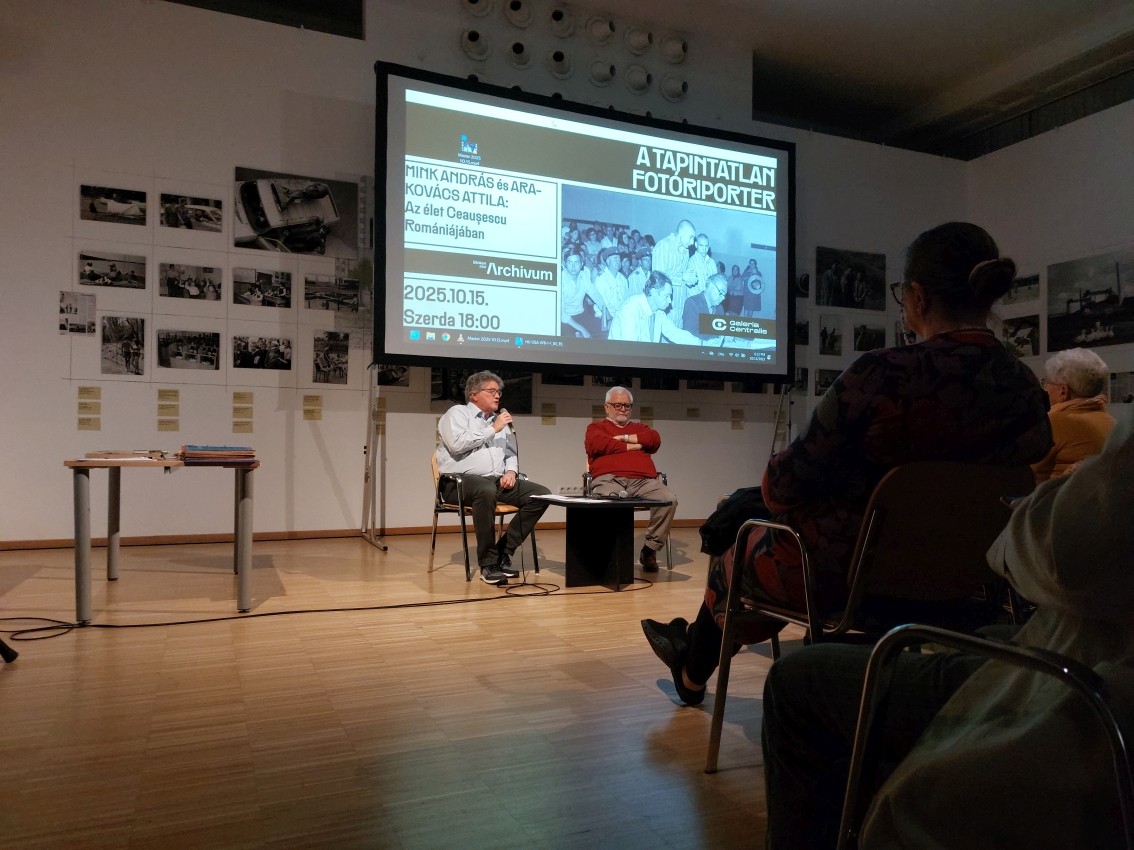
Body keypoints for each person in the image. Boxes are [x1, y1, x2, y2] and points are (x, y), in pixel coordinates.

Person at [640, 221, 1053, 707]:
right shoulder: (1023, 385)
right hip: (973, 576)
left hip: (851, 572)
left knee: (744, 537)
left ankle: (692, 673)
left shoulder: (883, 374)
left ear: (917, 298)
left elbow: (783, 484)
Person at [762, 408, 1134, 850]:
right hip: (968, 590)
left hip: (1088, 690)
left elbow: (1069, 547)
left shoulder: (872, 385)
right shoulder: (1021, 399)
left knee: (791, 663)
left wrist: (1032, 513)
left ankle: (698, 652)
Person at [435, 371, 550, 585]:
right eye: (491, 391)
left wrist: (511, 472)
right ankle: (488, 564)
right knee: (484, 490)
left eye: (499, 392)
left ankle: (503, 552)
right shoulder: (457, 413)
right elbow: (457, 445)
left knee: (540, 494)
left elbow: (510, 453)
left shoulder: (500, 422)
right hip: (457, 482)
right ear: (474, 394)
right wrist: (492, 429)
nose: (497, 396)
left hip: (495, 482)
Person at [585, 386, 678, 573]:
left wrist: (624, 437)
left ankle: (649, 550)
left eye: (627, 406)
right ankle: (608, 553)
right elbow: (597, 443)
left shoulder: (640, 428)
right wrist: (633, 446)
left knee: (669, 500)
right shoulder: (596, 427)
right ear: (607, 407)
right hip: (609, 480)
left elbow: (654, 439)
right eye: (618, 405)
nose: (623, 409)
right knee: (609, 501)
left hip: (644, 481)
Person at [1032, 347, 1116, 482]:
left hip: (1053, 501)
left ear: (1063, 391)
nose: (1044, 388)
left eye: (1046, 382)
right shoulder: (1111, 423)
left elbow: (1019, 471)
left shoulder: (1054, 423)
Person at [608, 272, 701, 345]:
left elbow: (675, 333)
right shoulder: (630, 309)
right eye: (667, 296)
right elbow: (629, 349)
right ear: (654, 292)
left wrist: (702, 343)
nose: (670, 301)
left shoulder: (658, 312)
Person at [651, 220, 698, 317]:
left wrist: (689, 281)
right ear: (681, 232)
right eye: (691, 237)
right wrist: (682, 277)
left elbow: (682, 276)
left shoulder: (686, 250)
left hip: (681, 304)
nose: (692, 242)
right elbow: (657, 277)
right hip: (667, 307)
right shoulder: (664, 246)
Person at [682, 272, 728, 338]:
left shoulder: (720, 308)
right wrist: (717, 337)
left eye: (724, 295)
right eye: (721, 293)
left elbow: (720, 331)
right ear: (711, 286)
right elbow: (690, 333)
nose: (723, 298)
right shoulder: (692, 303)